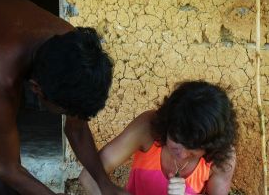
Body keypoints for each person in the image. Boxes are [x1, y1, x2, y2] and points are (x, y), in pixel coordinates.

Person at [0, 0, 129, 195]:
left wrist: (105, 184)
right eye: (66, 112)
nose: (74, 119)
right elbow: (8, 168)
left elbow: (76, 130)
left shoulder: (74, 48)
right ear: (36, 89)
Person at [79, 81, 237, 195]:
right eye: (176, 143)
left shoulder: (222, 158)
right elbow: (88, 176)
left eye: (193, 151)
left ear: (211, 146)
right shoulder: (148, 128)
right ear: (167, 125)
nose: (182, 155)